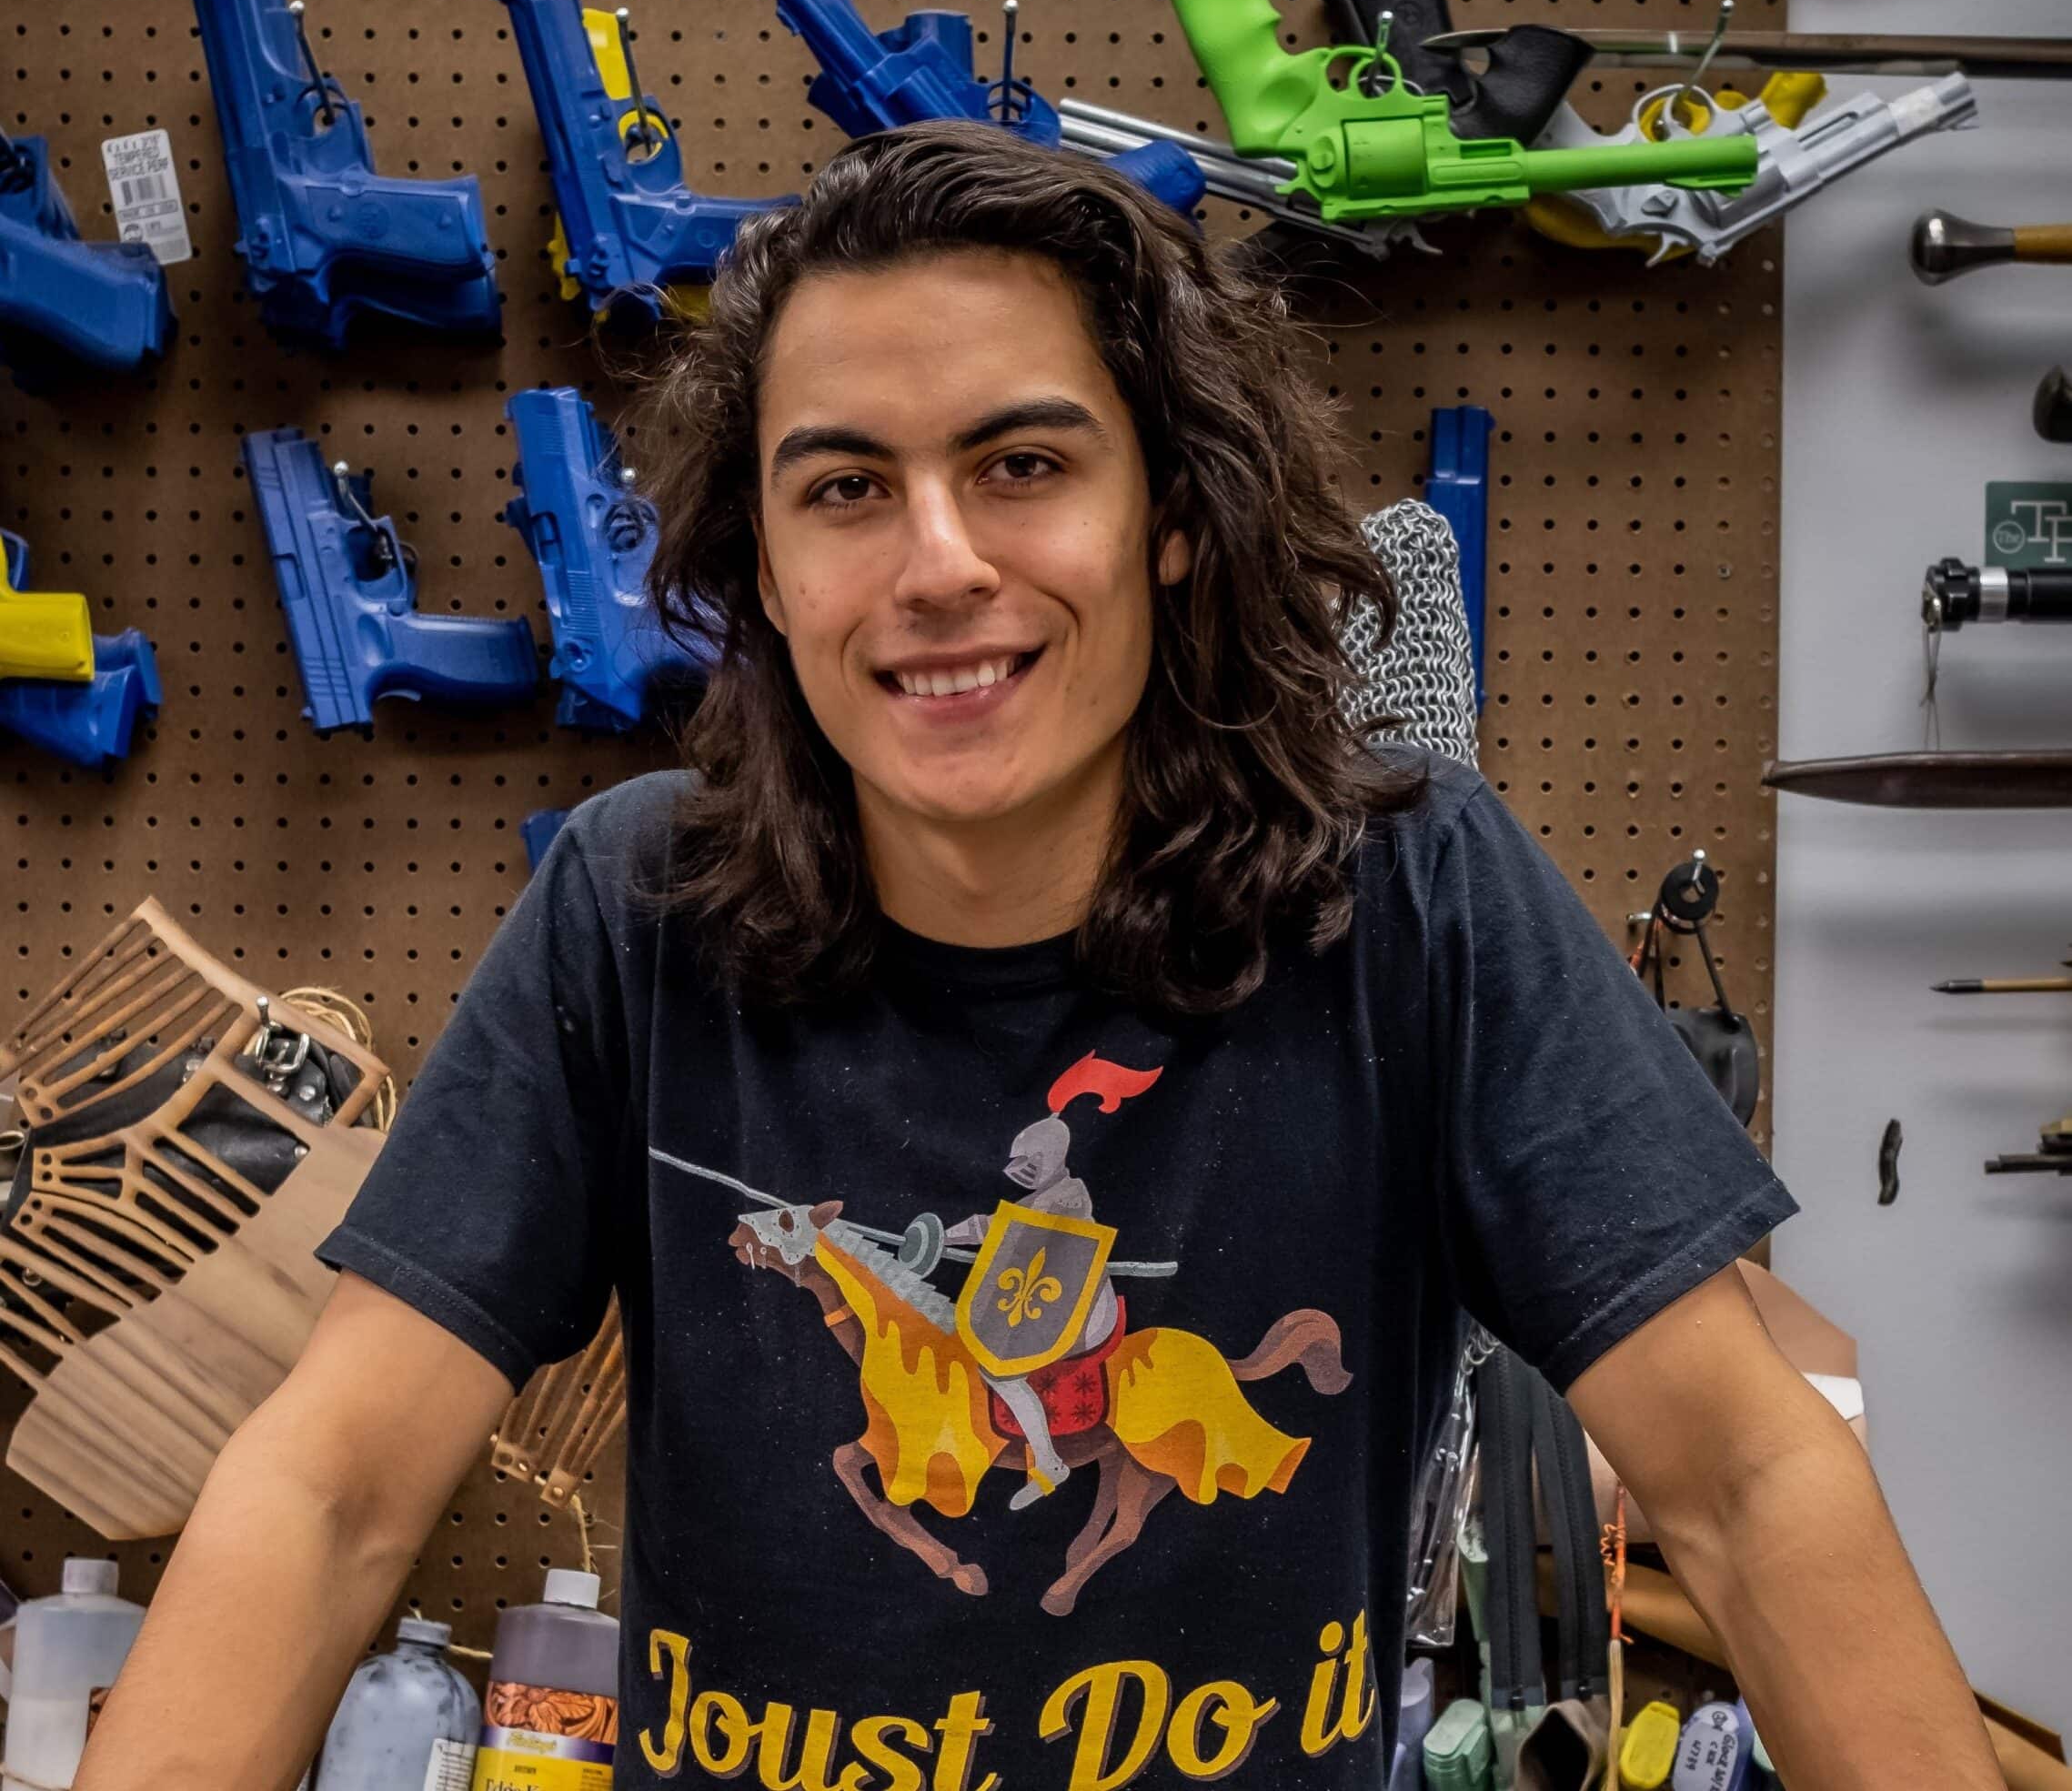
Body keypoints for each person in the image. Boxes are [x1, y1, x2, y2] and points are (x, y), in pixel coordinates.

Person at [82, 124, 2002, 1790]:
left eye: (1019, 463)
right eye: (842, 487)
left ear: (1168, 514)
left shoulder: (1412, 895)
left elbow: (1748, 1481)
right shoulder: (629, 906)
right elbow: (329, 1491)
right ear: (759, 562)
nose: (934, 563)